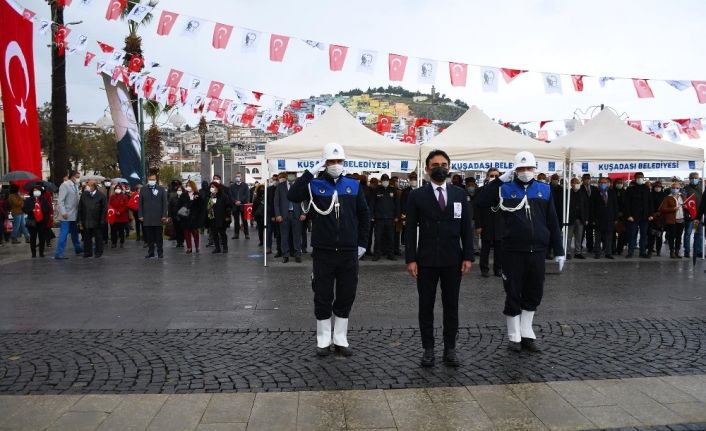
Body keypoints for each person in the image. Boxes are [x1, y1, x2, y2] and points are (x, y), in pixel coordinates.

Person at [475, 151, 565, 353]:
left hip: (538, 250)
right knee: (513, 291)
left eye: (529, 168)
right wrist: (498, 181)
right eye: (521, 169)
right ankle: (513, 336)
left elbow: (552, 220)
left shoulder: (545, 190)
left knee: (534, 291)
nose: (525, 172)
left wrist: (559, 249)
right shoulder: (505, 188)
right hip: (513, 250)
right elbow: (480, 202)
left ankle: (527, 333)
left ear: (535, 169)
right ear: (515, 171)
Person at [288, 142, 370, 357]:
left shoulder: (354, 185)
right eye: (331, 161)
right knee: (322, 295)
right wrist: (311, 171)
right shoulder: (314, 184)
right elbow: (293, 195)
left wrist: (362, 243)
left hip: (348, 251)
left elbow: (364, 216)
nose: (335, 165)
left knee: (346, 295)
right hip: (323, 251)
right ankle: (323, 340)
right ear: (325, 163)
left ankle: (340, 339)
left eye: (338, 161)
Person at [405, 150, 473, 367]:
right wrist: (411, 259)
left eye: (444, 164)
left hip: (453, 259)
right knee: (426, 306)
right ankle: (428, 349)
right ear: (427, 169)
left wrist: (468, 256)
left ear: (450, 167)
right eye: (435, 164)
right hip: (425, 260)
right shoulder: (416, 195)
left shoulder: (459, 194)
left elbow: (466, 228)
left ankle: (450, 349)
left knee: (451, 306)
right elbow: (409, 230)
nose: (440, 167)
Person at [474, 168, 503, 277]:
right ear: (487, 177)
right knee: (485, 248)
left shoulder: (503, 190)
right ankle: (484, 269)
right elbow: (477, 209)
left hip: (500, 223)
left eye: (496, 176)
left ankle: (498, 269)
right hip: (486, 223)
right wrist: (478, 225)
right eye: (491, 176)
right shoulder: (481, 190)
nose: (494, 178)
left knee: (499, 248)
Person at [274, 172, 305, 263]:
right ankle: (285, 255)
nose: (291, 176)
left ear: (295, 176)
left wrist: (304, 213)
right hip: (284, 215)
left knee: (297, 236)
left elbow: (304, 200)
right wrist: (278, 214)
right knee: (284, 236)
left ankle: (297, 254)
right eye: (290, 174)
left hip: (297, 214)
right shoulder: (280, 186)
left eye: (293, 174)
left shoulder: (300, 186)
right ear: (287, 176)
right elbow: (276, 202)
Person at [624, 172, 654, 258]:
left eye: (641, 177)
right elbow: (626, 204)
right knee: (632, 235)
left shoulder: (647, 189)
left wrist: (651, 214)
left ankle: (642, 252)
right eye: (638, 177)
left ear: (643, 178)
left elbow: (650, 203)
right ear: (635, 178)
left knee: (644, 235)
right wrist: (628, 215)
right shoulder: (630, 190)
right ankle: (630, 252)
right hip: (633, 217)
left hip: (645, 217)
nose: (640, 179)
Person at [54, 171, 83, 259]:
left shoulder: (76, 186)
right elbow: (60, 200)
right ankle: (59, 253)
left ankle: (78, 248)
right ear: (72, 176)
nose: (78, 178)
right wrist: (63, 212)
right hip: (66, 214)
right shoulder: (65, 185)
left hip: (74, 214)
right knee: (64, 233)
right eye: (77, 176)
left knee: (75, 233)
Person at [139, 173, 169, 258]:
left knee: (159, 237)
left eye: (153, 179)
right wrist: (140, 215)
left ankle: (160, 252)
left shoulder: (161, 189)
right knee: (149, 237)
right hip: (147, 217)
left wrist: (164, 215)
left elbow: (165, 203)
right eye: (150, 179)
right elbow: (140, 203)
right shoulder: (143, 189)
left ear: (156, 180)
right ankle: (150, 252)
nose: (152, 181)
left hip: (158, 217)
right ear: (148, 180)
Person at [372, 174, 400, 261]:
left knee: (391, 237)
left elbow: (397, 204)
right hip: (379, 218)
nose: (385, 181)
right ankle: (377, 254)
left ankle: (390, 254)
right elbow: (372, 203)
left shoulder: (393, 190)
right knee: (378, 237)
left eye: (386, 180)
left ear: (389, 181)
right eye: (384, 180)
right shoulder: (376, 190)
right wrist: (372, 215)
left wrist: (397, 216)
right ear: (381, 181)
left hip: (390, 218)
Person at [78, 180, 107, 258]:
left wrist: (102, 220)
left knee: (98, 237)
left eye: (89, 185)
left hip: (97, 221)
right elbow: (80, 208)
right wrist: (80, 221)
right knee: (86, 238)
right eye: (87, 185)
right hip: (86, 220)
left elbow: (104, 209)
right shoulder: (84, 195)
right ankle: (88, 252)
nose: (87, 187)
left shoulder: (101, 196)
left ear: (94, 186)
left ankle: (98, 252)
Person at [590, 177, 619, 259]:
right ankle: (597, 253)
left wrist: (616, 218)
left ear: (607, 183)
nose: (603, 184)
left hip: (609, 218)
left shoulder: (612, 192)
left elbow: (615, 206)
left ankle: (608, 253)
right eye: (601, 182)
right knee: (598, 237)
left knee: (609, 237)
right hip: (598, 219)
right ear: (598, 183)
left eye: (604, 182)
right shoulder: (595, 192)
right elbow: (592, 207)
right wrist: (593, 219)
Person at [22, 185, 52, 258]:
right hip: (32, 221)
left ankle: (41, 253)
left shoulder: (43, 199)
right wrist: (31, 210)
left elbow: (48, 209)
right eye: (34, 190)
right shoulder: (28, 200)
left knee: (42, 238)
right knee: (33, 238)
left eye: (37, 190)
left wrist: (45, 217)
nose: (36, 192)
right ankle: (33, 253)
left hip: (42, 221)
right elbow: (24, 209)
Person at [565, 178, 589, 259]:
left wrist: (586, 218)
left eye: (578, 183)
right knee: (568, 237)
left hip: (580, 219)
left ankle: (578, 252)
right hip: (570, 219)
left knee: (579, 237)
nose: (577, 184)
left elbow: (586, 207)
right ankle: (567, 252)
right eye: (575, 183)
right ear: (571, 184)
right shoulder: (567, 193)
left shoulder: (582, 193)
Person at [661, 182, 686, 258]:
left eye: (677, 188)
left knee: (679, 237)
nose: (675, 189)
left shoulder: (683, 197)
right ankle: (672, 252)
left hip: (681, 219)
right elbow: (663, 209)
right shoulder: (667, 197)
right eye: (674, 188)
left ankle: (677, 252)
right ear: (671, 188)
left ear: (680, 189)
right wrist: (673, 209)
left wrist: (686, 207)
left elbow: (687, 205)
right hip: (672, 220)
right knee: (672, 237)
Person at [179, 180, 204, 254]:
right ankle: (189, 247)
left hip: (194, 217)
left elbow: (201, 206)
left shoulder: (198, 195)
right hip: (185, 217)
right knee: (187, 233)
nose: (188, 187)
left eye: (189, 185)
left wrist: (199, 216)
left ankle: (197, 247)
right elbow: (180, 205)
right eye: (186, 186)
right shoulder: (184, 195)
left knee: (195, 233)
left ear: (193, 186)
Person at [206, 182, 232, 253]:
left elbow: (228, 206)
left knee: (222, 233)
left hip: (221, 218)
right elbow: (208, 206)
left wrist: (227, 216)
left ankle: (225, 247)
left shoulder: (223, 196)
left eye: (213, 187)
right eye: (211, 187)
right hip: (212, 217)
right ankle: (217, 248)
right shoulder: (210, 196)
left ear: (217, 188)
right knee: (214, 233)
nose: (212, 188)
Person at [682, 172, 702, 258]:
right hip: (689, 215)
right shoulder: (685, 189)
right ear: (689, 179)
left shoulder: (702, 188)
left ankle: (699, 251)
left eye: (696, 178)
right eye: (692, 178)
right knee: (688, 233)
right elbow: (683, 202)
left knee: (699, 234)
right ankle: (687, 251)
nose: (694, 179)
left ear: (699, 178)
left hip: (700, 215)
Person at [648, 181, 668, 256]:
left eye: (659, 186)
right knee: (651, 235)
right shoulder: (650, 195)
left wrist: (660, 214)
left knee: (659, 235)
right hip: (651, 218)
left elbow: (665, 207)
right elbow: (647, 205)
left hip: (660, 219)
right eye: (656, 186)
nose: (657, 188)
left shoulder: (664, 195)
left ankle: (658, 251)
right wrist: (651, 214)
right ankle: (650, 250)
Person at [230, 173, 250, 240]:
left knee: (244, 220)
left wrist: (240, 201)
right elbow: (231, 195)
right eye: (236, 176)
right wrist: (235, 201)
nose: (237, 177)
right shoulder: (232, 186)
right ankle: (236, 234)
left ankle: (246, 234)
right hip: (235, 205)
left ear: (241, 177)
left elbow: (246, 195)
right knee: (236, 221)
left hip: (243, 205)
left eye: (238, 176)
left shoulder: (245, 185)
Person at [580, 174, 597, 253]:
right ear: (582, 179)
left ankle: (590, 247)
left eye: (588, 178)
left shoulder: (594, 189)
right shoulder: (580, 188)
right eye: (585, 179)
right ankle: (579, 247)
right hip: (582, 214)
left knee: (590, 232)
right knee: (581, 233)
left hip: (591, 214)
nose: (587, 180)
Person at [108, 184, 130, 248]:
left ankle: (121, 242)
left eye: (119, 188)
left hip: (122, 216)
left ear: (121, 189)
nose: (117, 189)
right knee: (113, 230)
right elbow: (109, 205)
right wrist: (114, 211)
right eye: (116, 188)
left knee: (121, 230)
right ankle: (114, 242)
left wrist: (120, 211)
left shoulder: (124, 196)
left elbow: (126, 206)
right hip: (114, 216)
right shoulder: (112, 196)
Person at [612, 178, 627, 255]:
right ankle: (613, 249)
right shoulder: (611, 191)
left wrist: (623, 213)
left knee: (622, 234)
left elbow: (627, 205)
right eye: (618, 182)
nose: (619, 184)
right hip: (613, 216)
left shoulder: (625, 192)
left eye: (621, 182)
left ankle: (619, 249)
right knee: (612, 234)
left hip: (622, 217)